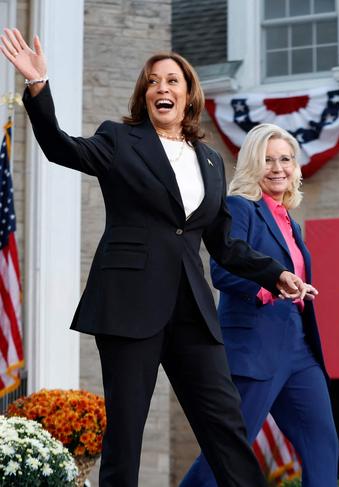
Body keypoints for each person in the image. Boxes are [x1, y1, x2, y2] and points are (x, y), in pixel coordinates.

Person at [0, 28, 309, 487]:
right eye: (152, 82)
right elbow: (60, 148)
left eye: (172, 81)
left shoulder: (209, 161)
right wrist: (39, 85)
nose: (161, 88)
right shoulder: (120, 141)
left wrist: (275, 272)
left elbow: (222, 243)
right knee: (126, 435)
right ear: (145, 95)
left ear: (188, 95)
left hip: (191, 310)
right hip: (129, 305)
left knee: (225, 426)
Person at [180, 123, 339, 487]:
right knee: (228, 450)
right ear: (253, 164)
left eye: (285, 159)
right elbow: (222, 270)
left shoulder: (290, 223)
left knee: (322, 443)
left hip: (299, 349)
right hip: (254, 348)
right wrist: (272, 287)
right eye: (268, 160)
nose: (278, 167)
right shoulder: (240, 208)